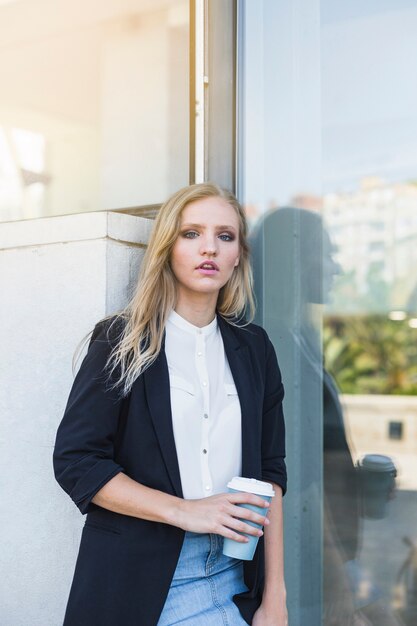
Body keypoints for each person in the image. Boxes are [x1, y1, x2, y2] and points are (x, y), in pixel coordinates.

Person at [53, 182, 288, 626]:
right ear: (167, 247)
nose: (209, 249)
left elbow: (271, 474)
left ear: (238, 255)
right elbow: (77, 461)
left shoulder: (256, 349)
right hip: (143, 585)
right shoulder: (120, 341)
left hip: (237, 575)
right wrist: (185, 511)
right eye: (190, 233)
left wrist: (275, 595)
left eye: (225, 236)